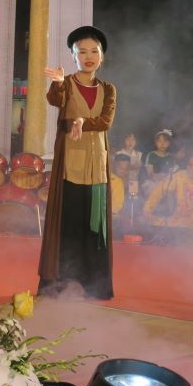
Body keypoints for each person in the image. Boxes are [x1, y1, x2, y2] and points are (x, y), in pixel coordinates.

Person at [38, 26, 116, 300]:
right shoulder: (67, 84)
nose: (89, 56)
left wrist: (83, 121)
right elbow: (54, 100)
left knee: (95, 227)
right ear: (73, 57)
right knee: (69, 225)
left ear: (102, 56)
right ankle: (64, 283)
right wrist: (59, 82)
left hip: (98, 168)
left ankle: (94, 284)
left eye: (94, 51)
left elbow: (106, 121)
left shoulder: (108, 89)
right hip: (71, 167)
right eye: (82, 52)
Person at [142, 154, 193, 244]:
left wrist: (181, 222)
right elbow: (160, 190)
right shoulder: (180, 175)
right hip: (176, 220)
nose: (191, 169)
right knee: (150, 223)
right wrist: (147, 209)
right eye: (190, 165)